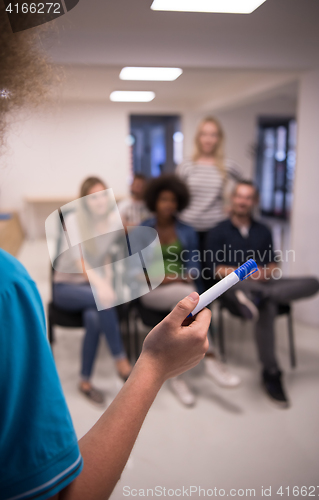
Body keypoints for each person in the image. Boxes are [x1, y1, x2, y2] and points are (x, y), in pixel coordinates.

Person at [0, 8, 212, 500]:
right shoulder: (25, 273)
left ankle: (102, 371)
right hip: (73, 297)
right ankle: (115, 366)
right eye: (93, 199)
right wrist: (153, 365)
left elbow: (122, 277)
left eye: (106, 199)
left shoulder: (112, 233)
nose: (101, 206)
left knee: (105, 311)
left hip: (97, 295)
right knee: (100, 312)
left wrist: (139, 266)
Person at [205, 180, 319, 408]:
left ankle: (260, 297)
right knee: (261, 301)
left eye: (248, 197)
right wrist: (243, 274)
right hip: (233, 288)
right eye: (239, 196)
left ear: (254, 201)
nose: (243, 201)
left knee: (313, 282)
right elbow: (214, 268)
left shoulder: (263, 230)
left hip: (264, 285)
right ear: (233, 199)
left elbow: (274, 264)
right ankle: (271, 371)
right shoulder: (218, 231)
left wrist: (265, 272)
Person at [140, 175, 240, 407]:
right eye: (163, 199)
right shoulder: (143, 229)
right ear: (154, 201)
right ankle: (212, 360)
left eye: (173, 200)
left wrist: (186, 277)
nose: (168, 205)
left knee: (185, 308)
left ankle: (177, 377)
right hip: (152, 292)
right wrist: (165, 279)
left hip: (183, 289)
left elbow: (193, 267)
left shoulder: (186, 230)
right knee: (188, 302)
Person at [52, 176, 133, 405]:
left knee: (94, 319)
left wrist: (106, 278)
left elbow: (105, 255)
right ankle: (120, 360)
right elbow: (80, 261)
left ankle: (84, 381)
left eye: (102, 195)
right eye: (93, 197)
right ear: (85, 201)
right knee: (103, 300)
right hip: (66, 287)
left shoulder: (112, 222)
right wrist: (102, 286)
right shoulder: (74, 220)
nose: (99, 201)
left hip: (90, 288)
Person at [176, 116, 241, 260]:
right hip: (187, 228)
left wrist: (232, 206)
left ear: (219, 138)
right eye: (204, 134)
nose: (208, 139)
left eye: (213, 135)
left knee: (212, 273)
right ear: (198, 137)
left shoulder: (227, 165)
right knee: (192, 272)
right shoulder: (186, 165)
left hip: (216, 228)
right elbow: (175, 194)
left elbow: (245, 186)